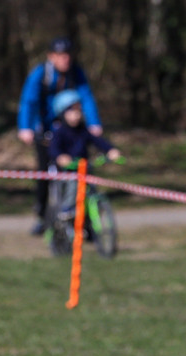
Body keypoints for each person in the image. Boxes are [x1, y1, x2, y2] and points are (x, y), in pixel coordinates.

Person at [17, 36, 103, 235]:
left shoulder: (76, 73)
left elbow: (87, 98)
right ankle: (41, 215)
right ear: (51, 57)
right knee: (45, 174)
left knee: (81, 170)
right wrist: (25, 128)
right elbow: (28, 101)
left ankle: (84, 218)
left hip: (68, 130)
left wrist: (94, 123)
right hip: (44, 131)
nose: (66, 60)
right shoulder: (41, 74)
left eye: (68, 56)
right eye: (61, 56)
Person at [48, 89, 121, 222]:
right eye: (72, 111)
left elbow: (98, 141)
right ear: (62, 113)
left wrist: (111, 150)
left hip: (85, 168)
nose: (76, 115)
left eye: (78, 110)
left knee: (91, 187)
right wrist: (61, 157)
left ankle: (92, 217)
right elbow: (54, 149)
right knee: (73, 184)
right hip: (68, 171)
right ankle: (67, 209)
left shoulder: (83, 130)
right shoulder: (60, 132)